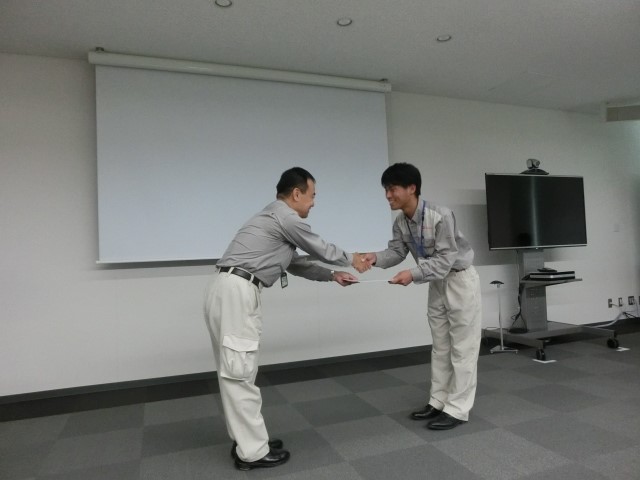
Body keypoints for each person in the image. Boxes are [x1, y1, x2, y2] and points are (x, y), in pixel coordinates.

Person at [204, 167, 368, 471]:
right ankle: (252, 452)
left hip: (228, 290)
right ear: (296, 193)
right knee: (239, 373)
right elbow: (318, 246)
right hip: (237, 292)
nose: (314, 202)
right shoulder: (285, 217)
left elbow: (297, 264)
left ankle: (247, 441)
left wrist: (333, 275)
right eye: (312, 195)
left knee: (235, 372)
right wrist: (352, 259)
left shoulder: (273, 220)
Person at [362, 162, 481, 430]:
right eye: (386, 189)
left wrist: (413, 274)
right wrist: (374, 258)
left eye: (392, 189)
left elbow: (445, 260)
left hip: (459, 280)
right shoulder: (401, 221)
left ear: (411, 188)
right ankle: (438, 401)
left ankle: (457, 409)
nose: (388, 195)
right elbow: (396, 252)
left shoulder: (440, 215)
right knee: (440, 346)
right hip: (435, 282)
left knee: (463, 348)